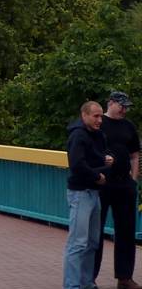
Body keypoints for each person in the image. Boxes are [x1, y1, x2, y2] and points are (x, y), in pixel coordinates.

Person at [64, 101, 114, 289]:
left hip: (94, 193)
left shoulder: (99, 135)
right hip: (80, 193)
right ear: (84, 115)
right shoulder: (78, 135)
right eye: (95, 116)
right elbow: (77, 164)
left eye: (101, 116)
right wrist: (97, 175)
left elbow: (99, 154)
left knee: (93, 242)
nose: (100, 120)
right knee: (78, 243)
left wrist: (106, 158)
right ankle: (72, 285)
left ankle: (86, 283)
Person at [94, 92, 141, 289]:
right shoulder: (98, 123)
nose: (124, 110)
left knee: (126, 232)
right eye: (121, 105)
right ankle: (90, 278)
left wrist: (134, 180)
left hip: (125, 184)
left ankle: (124, 277)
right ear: (111, 103)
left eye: (126, 106)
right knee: (95, 232)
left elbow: (135, 154)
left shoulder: (129, 126)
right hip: (102, 183)